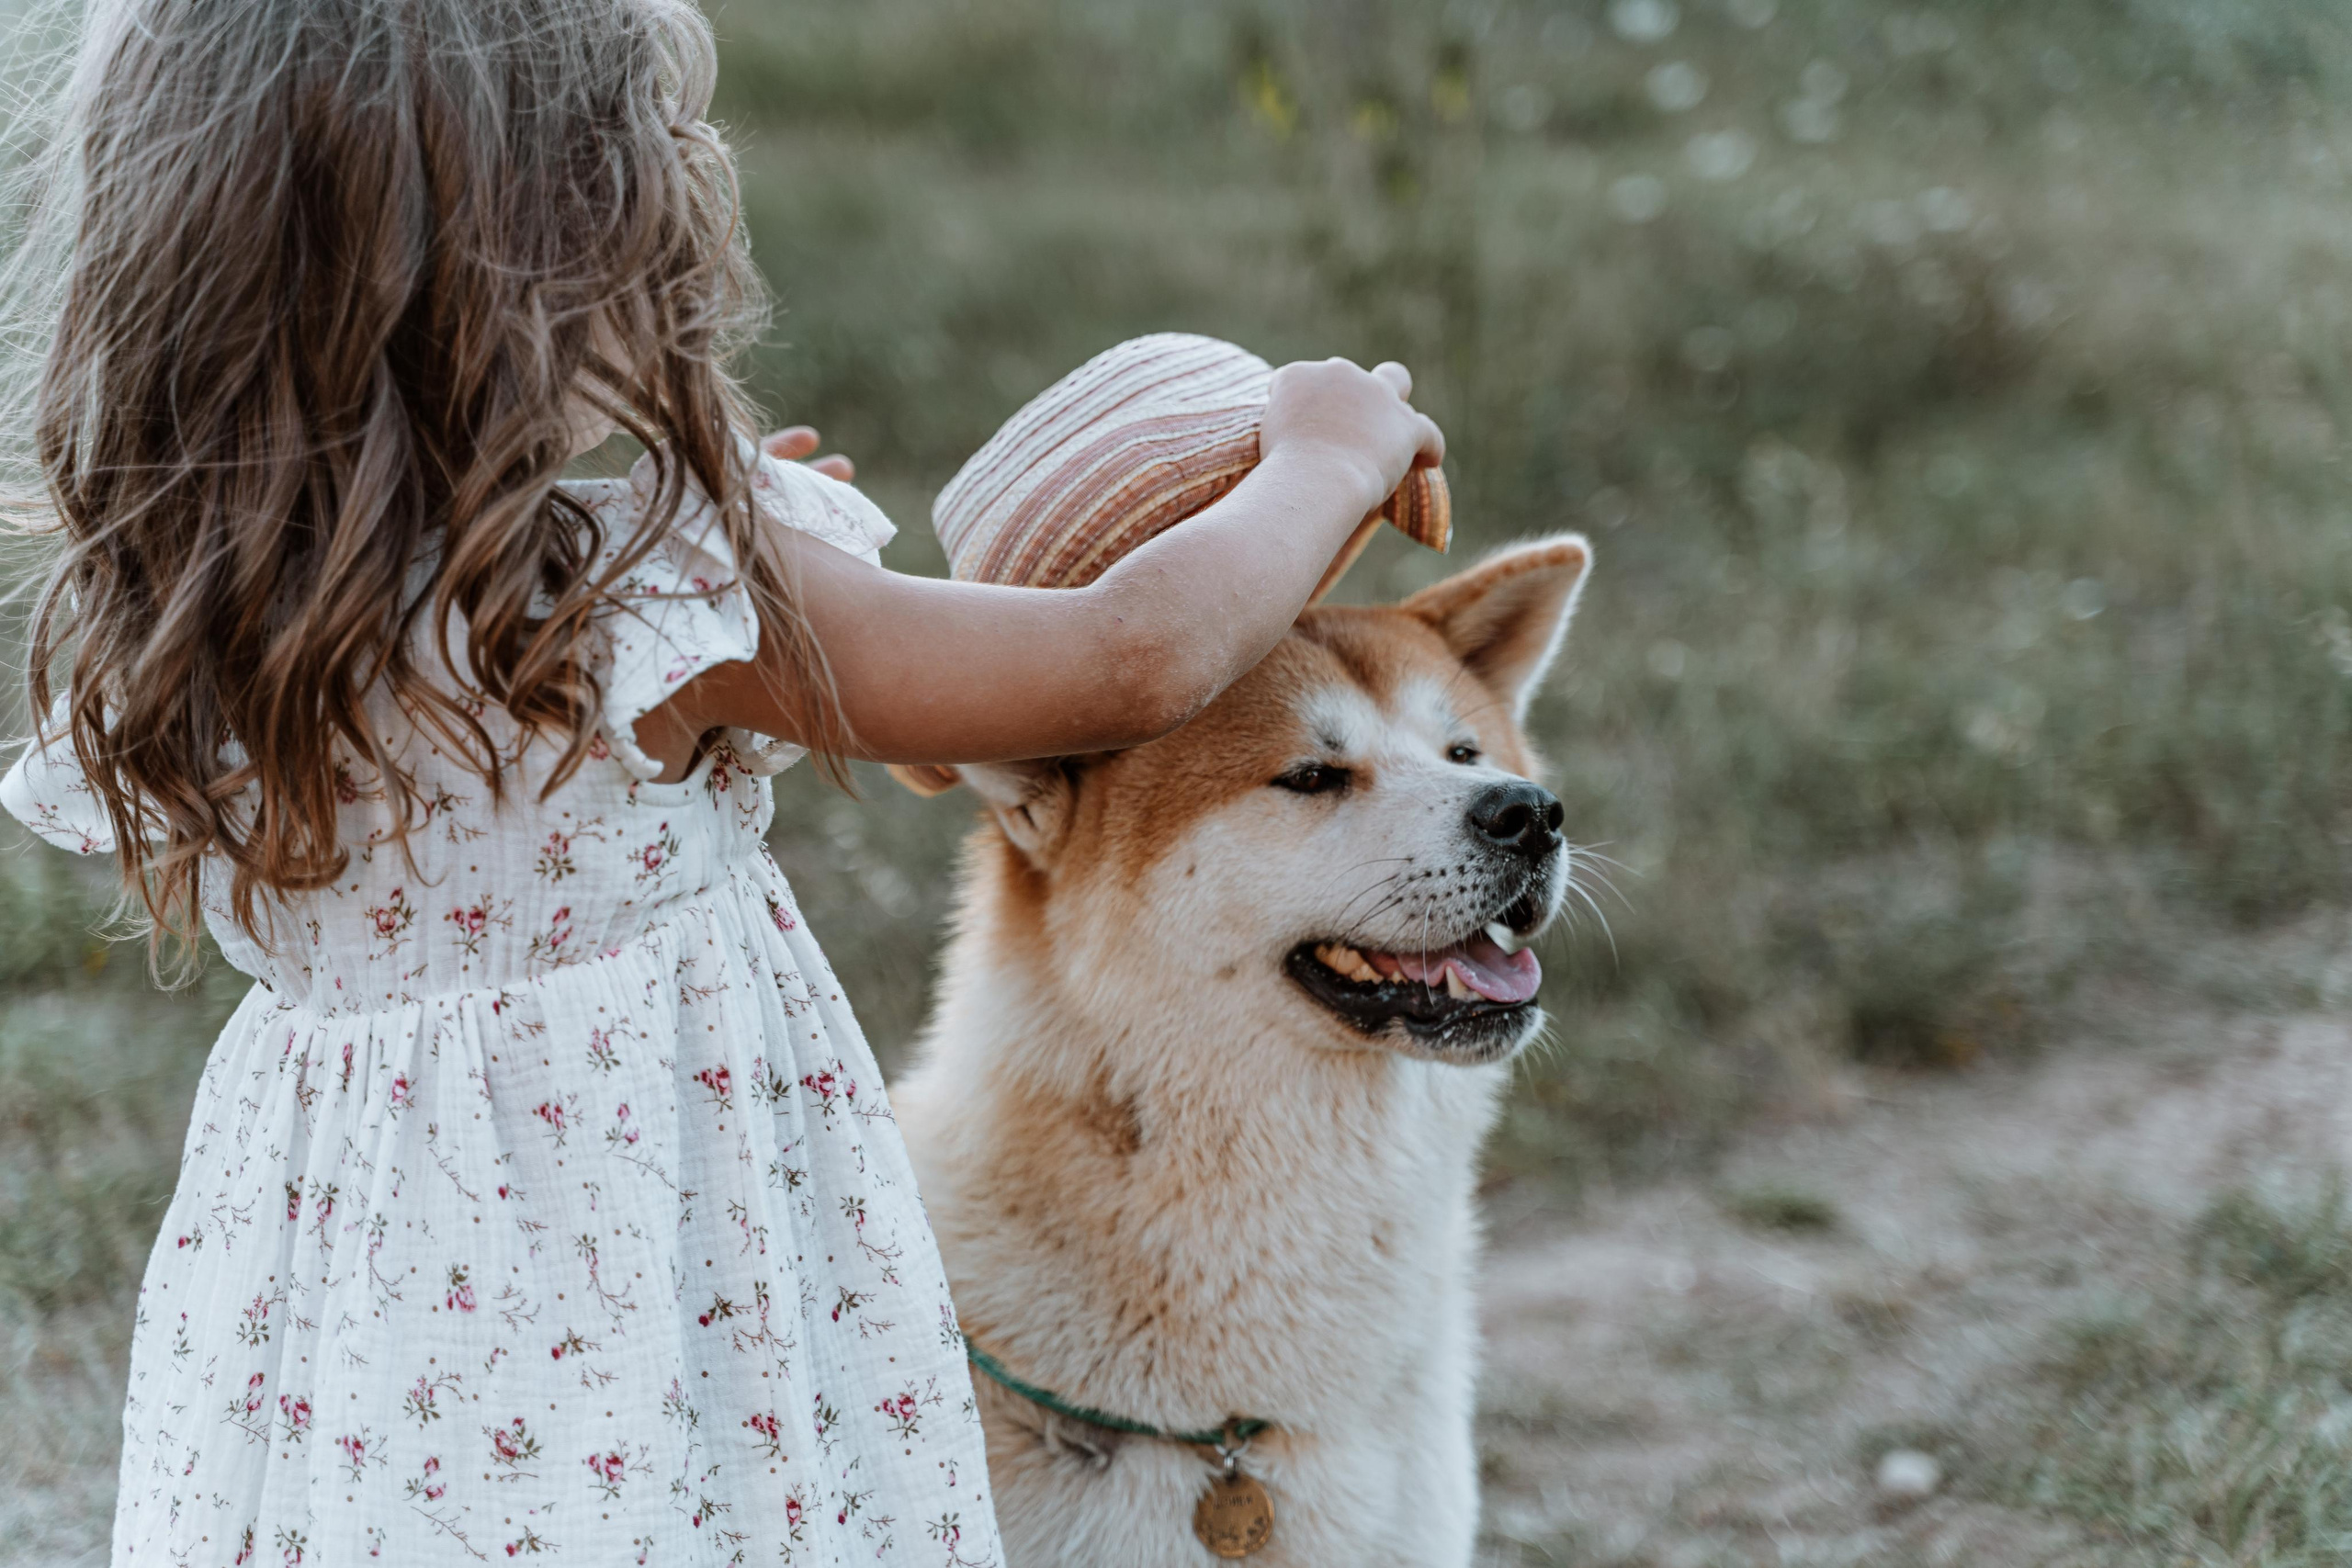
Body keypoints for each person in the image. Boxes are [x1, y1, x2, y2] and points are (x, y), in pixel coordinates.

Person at [0, 2, 1442, 1562]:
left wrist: (754, 591)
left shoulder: (212, 628)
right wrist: (1327, 450)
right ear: (554, 246)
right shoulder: (652, 606)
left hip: (363, 1333)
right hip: (646, 1287)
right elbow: (1133, 657)